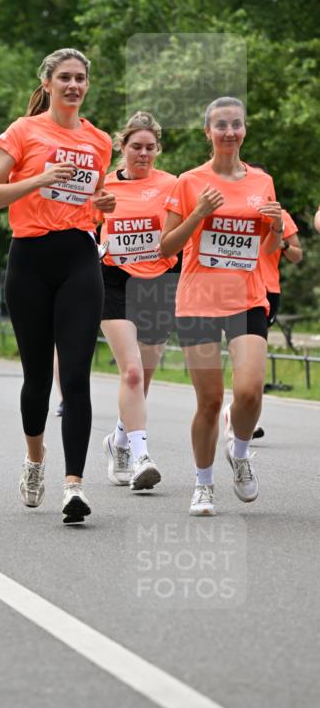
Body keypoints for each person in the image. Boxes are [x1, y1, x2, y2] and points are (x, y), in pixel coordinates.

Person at [0, 47, 115, 524]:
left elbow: (87, 202)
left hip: (80, 257)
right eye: (65, 78)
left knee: (75, 375)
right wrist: (38, 178)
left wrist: (103, 204)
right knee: (37, 377)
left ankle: (73, 486)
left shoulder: (100, 140)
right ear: (48, 82)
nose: (74, 85)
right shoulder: (23, 131)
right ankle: (35, 460)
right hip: (31, 260)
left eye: (81, 78)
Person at [161, 97, 284, 516]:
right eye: (221, 125)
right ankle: (203, 484)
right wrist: (199, 213)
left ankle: (242, 453)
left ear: (245, 130)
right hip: (199, 299)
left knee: (249, 392)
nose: (229, 132)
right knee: (211, 401)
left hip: (247, 297)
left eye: (236, 124)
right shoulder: (189, 181)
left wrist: (279, 228)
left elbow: (266, 248)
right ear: (207, 132)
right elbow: (167, 247)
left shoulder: (262, 181)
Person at [98, 111, 178, 491]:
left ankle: (118, 440)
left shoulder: (172, 184)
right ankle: (141, 454)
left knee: (143, 377)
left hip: (159, 281)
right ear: (122, 147)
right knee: (130, 372)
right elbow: (82, 225)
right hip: (114, 279)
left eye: (150, 148)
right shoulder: (105, 185)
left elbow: (187, 229)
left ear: (158, 150)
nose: (143, 154)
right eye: (136, 147)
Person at [224, 164, 303, 441]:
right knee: (241, 354)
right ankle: (238, 413)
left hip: (269, 288)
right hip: (240, 288)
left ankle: (236, 410)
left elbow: (297, 256)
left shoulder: (281, 215)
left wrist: (280, 239)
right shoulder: (233, 211)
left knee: (253, 354)